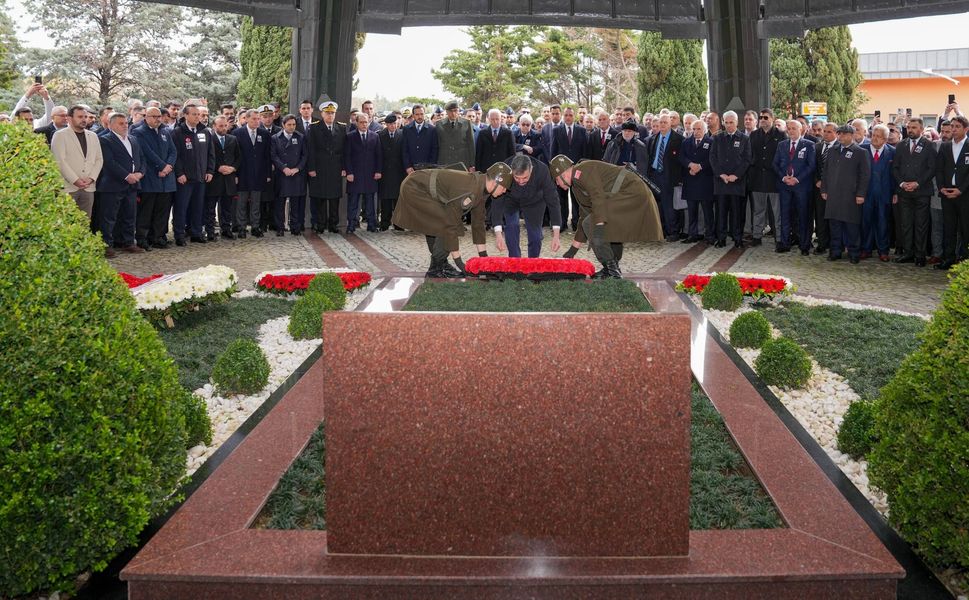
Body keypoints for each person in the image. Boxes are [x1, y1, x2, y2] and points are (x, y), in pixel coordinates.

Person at [392, 162, 512, 278]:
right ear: (496, 182)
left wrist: (484, 259)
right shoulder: (470, 190)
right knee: (446, 224)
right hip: (415, 188)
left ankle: (441, 264)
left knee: (439, 224)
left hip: (426, 190)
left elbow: (478, 223)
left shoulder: (482, 189)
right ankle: (435, 269)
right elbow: (450, 225)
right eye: (504, 187)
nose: (505, 191)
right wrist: (460, 264)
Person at [552, 155, 665, 278]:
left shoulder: (582, 170)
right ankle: (611, 267)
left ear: (563, 174)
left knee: (593, 224)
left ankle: (612, 270)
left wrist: (599, 227)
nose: (557, 184)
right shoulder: (576, 186)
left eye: (557, 180)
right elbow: (584, 215)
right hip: (622, 194)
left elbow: (597, 197)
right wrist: (572, 250)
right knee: (593, 223)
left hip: (632, 192)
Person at [492, 155, 562, 258]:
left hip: (535, 201)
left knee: (535, 236)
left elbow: (553, 201)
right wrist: (498, 234)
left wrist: (556, 236)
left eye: (525, 177)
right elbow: (497, 202)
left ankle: (532, 264)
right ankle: (515, 262)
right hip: (511, 199)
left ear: (531, 169)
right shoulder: (504, 170)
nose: (521, 181)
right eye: (517, 178)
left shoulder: (542, 170)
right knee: (511, 228)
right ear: (511, 170)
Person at [821, 125, 871, 263]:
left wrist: (861, 194)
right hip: (833, 195)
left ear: (852, 135)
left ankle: (854, 252)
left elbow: (865, 175)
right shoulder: (832, 151)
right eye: (839, 134)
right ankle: (835, 251)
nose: (841, 136)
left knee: (852, 226)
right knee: (834, 225)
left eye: (844, 134)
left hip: (851, 196)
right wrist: (824, 189)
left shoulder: (860, 152)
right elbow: (825, 172)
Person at [129, 106, 177, 249]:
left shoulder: (165, 131)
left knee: (162, 210)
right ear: (146, 117)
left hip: (166, 178)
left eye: (159, 117)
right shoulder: (139, 132)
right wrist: (162, 166)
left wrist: (168, 167)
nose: (157, 119)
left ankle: (158, 236)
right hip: (151, 177)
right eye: (154, 117)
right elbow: (146, 153)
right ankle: (143, 238)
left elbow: (173, 151)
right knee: (147, 210)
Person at [97, 113, 144, 257]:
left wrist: (140, 173)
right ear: (111, 125)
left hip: (132, 185)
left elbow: (141, 159)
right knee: (109, 217)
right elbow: (109, 162)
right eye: (121, 123)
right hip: (112, 185)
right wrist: (126, 175)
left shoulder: (133, 139)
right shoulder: (105, 140)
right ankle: (106, 245)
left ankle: (128, 242)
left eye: (126, 123)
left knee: (129, 215)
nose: (125, 126)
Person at [892, 117, 937, 267]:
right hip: (904, 191)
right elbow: (895, 168)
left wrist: (917, 183)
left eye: (914, 127)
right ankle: (908, 253)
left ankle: (920, 255)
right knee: (906, 224)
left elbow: (932, 169)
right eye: (909, 127)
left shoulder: (929, 145)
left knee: (921, 224)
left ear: (921, 129)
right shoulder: (901, 145)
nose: (910, 130)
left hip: (922, 192)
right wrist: (903, 183)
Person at [51, 105, 103, 221]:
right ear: (69, 118)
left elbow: (99, 159)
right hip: (68, 187)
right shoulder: (60, 135)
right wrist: (76, 180)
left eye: (85, 116)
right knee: (66, 224)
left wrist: (91, 178)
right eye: (80, 117)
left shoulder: (93, 136)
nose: (84, 119)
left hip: (88, 187)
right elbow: (59, 161)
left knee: (85, 223)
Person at [172, 104, 215, 245]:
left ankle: (196, 232)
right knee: (181, 207)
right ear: (185, 115)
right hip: (185, 178)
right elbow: (175, 156)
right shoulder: (178, 132)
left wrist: (209, 171)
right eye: (194, 114)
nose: (198, 117)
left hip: (201, 176)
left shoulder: (205, 131)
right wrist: (179, 173)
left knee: (198, 206)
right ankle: (179, 234)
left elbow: (210, 153)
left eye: (199, 114)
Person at [771, 120, 816, 255]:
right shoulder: (782, 145)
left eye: (794, 128)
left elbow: (811, 165)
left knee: (803, 216)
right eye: (789, 129)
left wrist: (797, 179)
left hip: (801, 187)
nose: (791, 131)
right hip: (784, 186)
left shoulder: (809, 145)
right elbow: (775, 164)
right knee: (785, 215)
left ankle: (804, 245)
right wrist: (784, 178)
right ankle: (785, 243)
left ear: (801, 130)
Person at [709, 111, 752, 248]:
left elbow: (747, 160)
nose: (728, 125)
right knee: (721, 212)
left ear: (736, 122)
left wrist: (736, 175)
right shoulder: (717, 138)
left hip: (737, 183)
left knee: (737, 213)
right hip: (721, 182)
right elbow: (713, 158)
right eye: (726, 122)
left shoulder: (744, 139)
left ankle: (737, 238)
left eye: (731, 122)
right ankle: (721, 238)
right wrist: (721, 174)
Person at [306, 100, 347, 234]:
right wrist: (311, 168)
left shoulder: (341, 127)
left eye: (332, 113)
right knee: (321, 197)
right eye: (327, 113)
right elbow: (311, 149)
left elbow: (345, 151)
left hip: (336, 167)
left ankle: (333, 224)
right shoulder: (314, 127)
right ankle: (320, 223)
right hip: (320, 167)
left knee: (334, 197)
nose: (330, 115)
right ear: (322, 114)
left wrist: (344, 167)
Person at [934, 114, 969, 270]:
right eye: (952, 127)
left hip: (965, 195)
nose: (953, 130)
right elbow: (939, 168)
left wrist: (961, 190)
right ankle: (949, 258)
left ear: (966, 129)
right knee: (949, 228)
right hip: (947, 193)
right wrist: (941, 187)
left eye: (957, 127)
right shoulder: (946, 146)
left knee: (965, 228)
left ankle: (965, 260)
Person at [858, 124, 896, 261]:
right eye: (873, 135)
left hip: (884, 194)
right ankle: (865, 249)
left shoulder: (892, 152)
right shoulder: (862, 150)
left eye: (878, 137)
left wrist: (895, 193)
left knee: (883, 222)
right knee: (865, 221)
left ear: (885, 139)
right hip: (866, 194)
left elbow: (896, 174)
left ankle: (883, 251)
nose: (874, 139)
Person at [748, 108, 787, 247]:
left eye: (766, 117)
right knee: (758, 210)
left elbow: (784, 156)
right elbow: (749, 154)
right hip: (757, 178)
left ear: (772, 118)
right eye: (761, 117)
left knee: (777, 212)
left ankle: (779, 238)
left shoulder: (781, 135)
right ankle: (757, 236)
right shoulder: (754, 135)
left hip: (774, 178)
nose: (763, 120)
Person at [233, 105, 272, 238]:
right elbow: (235, 155)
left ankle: (255, 227)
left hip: (259, 174)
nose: (257, 121)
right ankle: (242, 227)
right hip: (243, 173)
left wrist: (267, 174)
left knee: (256, 202)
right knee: (241, 203)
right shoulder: (238, 133)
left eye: (258, 119)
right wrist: (235, 174)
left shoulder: (264, 134)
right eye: (254, 119)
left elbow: (267, 156)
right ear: (247, 119)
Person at [645, 114, 685, 241]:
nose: (662, 125)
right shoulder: (652, 139)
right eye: (660, 122)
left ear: (670, 124)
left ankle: (673, 232)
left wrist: (679, 179)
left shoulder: (678, 139)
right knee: (658, 205)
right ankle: (662, 231)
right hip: (655, 175)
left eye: (665, 122)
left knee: (670, 206)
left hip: (670, 177)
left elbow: (681, 160)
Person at [550, 107, 589, 231]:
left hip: (577, 170)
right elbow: (553, 151)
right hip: (561, 171)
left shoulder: (582, 131)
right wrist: (555, 171)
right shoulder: (556, 130)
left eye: (570, 115)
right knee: (561, 198)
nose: (568, 117)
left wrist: (582, 169)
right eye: (566, 115)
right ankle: (561, 223)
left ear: (574, 116)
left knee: (576, 197)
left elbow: (584, 152)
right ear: (563, 116)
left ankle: (576, 222)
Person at [344, 112, 383, 233]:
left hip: (370, 175)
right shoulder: (350, 136)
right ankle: (351, 225)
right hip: (355, 175)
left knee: (370, 202)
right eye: (361, 122)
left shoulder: (374, 136)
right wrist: (349, 172)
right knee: (353, 202)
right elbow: (347, 156)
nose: (364, 124)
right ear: (356, 123)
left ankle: (371, 224)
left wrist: (378, 171)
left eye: (366, 122)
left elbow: (379, 156)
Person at [679, 119, 716, 244]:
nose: (696, 131)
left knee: (707, 211)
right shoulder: (686, 142)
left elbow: (712, 159)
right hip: (690, 181)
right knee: (692, 211)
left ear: (704, 130)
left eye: (698, 129)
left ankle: (710, 235)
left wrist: (700, 166)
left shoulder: (711, 142)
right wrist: (690, 165)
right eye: (694, 129)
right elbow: (681, 157)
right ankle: (692, 234)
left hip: (705, 182)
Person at [270, 115, 308, 236]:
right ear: (283, 125)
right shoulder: (275, 138)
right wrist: (283, 168)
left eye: (294, 125)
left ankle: (295, 227)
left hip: (296, 174)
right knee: (280, 203)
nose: (292, 127)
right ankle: (280, 227)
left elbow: (304, 155)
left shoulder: (300, 137)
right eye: (289, 125)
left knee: (295, 203)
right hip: (282, 174)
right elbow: (274, 155)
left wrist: (297, 168)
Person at [206, 116, 241, 240]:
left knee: (227, 207)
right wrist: (217, 168)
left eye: (225, 125)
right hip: (214, 179)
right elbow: (207, 157)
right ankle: (210, 231)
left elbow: (238, 157)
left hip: (229, 179)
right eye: (220, 126)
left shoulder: (233, 139)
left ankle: (226, 229)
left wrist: (233, 168)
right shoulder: (209, 139)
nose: (224, 128)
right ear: (214, 126)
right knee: (210, 208)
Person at [812, 122, 838, 254]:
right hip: (818, 188)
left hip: (835, 189)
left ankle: (834, 245)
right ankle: (822, 243)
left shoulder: (840, 148)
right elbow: (813, 166)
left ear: (836, 133)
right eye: (825, 131)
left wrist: (828, 183)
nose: (826, 134)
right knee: (820, 216)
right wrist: (817, 180)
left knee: (833, 217)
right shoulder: (817, 147)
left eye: (829, 132)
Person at [377, 113, 406, 230]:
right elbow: (378, 155)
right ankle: (385, 222)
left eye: (394, 123)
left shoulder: (403, 135)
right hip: (385, 172)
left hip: (399, 172)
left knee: (398, 199)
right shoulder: (379, 135)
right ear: (386, 124)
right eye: (390, 124)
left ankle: (398, 223)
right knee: (385, 199)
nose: (393, 126)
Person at [436, 100, 476, 170]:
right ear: (447, 112)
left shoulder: (466, 123)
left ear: (458, 111)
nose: (453, 113)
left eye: (455, 110)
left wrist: (472, 164)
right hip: (445, 161)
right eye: (451, 111)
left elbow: (471, 144)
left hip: (462, 161)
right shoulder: (439, 124)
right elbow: (437, 145)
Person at [402, 104, 438, 173]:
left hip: (427, 169)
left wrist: (430, 167)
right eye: (417, 114)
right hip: (411, 169)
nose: (420, 116)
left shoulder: (432, 129)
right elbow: (404, 149)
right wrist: (407, 166)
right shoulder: (406, 129)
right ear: (413, 115)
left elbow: (434, 150)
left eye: (421, 114)